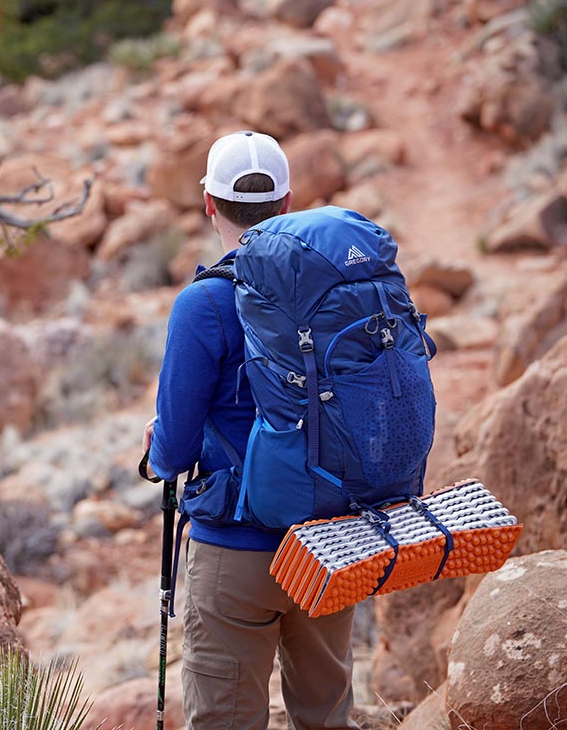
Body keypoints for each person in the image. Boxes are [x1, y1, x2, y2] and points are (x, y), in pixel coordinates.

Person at [142, 131, 356, 730]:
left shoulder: (204, 304)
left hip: (238, 550)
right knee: (328, 718)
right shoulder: (335, 290)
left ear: (209, 204)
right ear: (288, 204)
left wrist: (156, 454)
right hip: (329, 544)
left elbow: (175, 449)